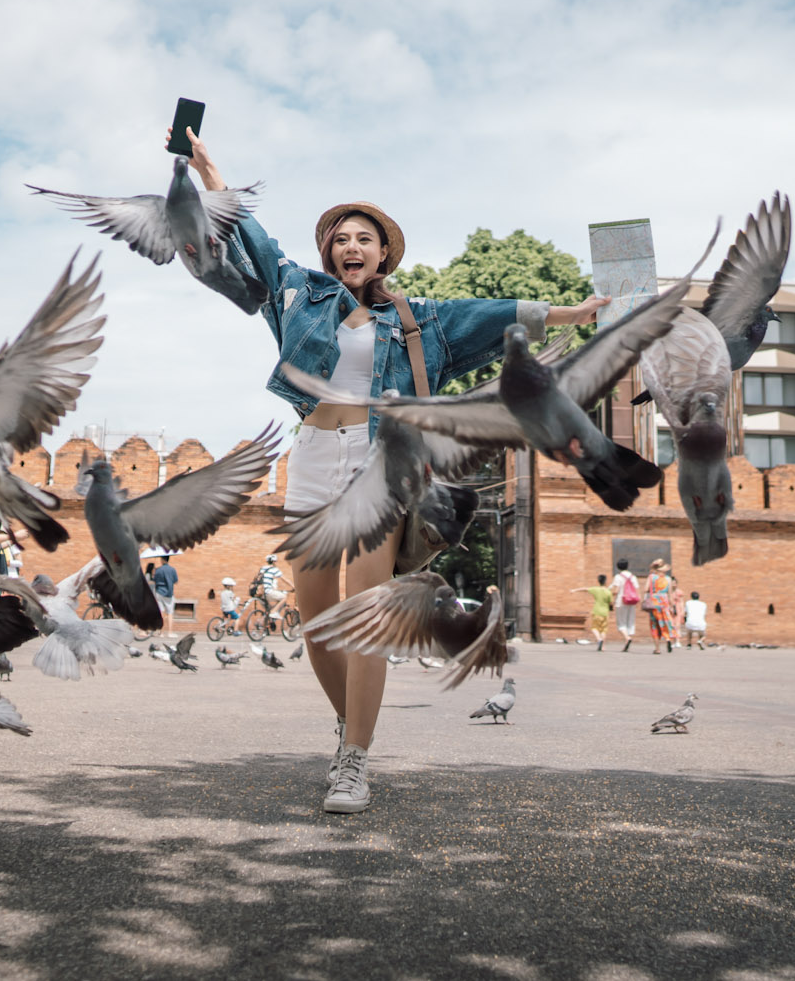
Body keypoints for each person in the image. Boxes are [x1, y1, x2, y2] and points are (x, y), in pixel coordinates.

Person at [179, 127, 606, 815]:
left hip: (379, 464)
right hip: (313, 459)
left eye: (364, 238)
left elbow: (491, 314)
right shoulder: (296, 293)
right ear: (329, 252)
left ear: (383, 253)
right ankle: (352, 725)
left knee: (363, 610)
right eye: (341, 238)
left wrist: (572, 312)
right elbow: (252, 240)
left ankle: (353, 761)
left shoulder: (422, 320)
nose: (352, 246)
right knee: (316, 620)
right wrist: (209, 173)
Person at [571, 575, 615, 650]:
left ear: (598, 581)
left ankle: (599, 639)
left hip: (596, 612)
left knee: (594, 628)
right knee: (603, 630)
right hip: (605, 613)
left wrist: (574, 590)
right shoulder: (608, 591)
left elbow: (585, 589)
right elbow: (611, 603)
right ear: (605, 582)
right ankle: (603, 647)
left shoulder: (596, 589)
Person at [644, 561, 676, 654]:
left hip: (654, 602)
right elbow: (670, 594)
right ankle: (668, 639)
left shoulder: (651, 577)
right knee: (665, 622)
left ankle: (657, 648)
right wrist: (672, 606)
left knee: (654, 624)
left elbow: (645, 589)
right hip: (664, 602)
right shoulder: (668, 579)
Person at [611, 559, 642, 652]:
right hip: (631, 601)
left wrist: (612, 601)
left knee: (621, 623)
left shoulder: (618, 577)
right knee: (630, 621)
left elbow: (616, 591)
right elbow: (637, 590)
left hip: (621, 601)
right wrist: (638, 600)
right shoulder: (633, 577)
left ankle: (627, 638)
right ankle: (627, 639)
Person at [152, 553, 179, 637]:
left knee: (161, 612)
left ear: (162, 560)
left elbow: (154, 579)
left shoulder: (158, 570)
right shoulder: (172, 570)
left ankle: (161, 632)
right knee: (170, 613)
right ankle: (170, 632)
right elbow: (176, 581)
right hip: (169, 593)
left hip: (159, 591)